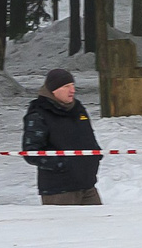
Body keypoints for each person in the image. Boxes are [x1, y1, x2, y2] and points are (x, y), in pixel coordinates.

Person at [22, 68, 104, 206]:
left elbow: (88, 137)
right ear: (54, 90)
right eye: (66, 86)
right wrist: (61, 164)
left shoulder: (78, 109)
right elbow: (31, 152)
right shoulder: (39, 113)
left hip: (87, 185)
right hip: (59, 190)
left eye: (73, 85)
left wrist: (96, 154)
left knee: (99, 220)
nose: (72, 90)